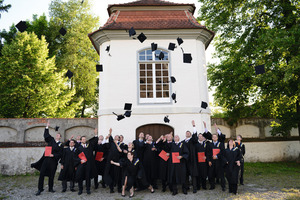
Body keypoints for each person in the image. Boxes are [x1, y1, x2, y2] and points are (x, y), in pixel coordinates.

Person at [31, 121, 63, 196]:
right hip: (46, 159)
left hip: (53, 161)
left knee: (51, 175)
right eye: (57, 134)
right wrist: (47, 127)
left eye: (59, 135)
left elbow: (61, 154)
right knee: (42, 174)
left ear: (60, 137)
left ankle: (50, 188)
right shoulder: (51, 140)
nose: (57, 135)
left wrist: (54, 155)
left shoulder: (61, 145)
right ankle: (40, 189)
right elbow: (46, 135)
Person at [75, 128, 98, 195]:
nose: (84, 140)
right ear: (81, 140)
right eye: (83, 139)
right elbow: (75, 157)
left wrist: (95, 134)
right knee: (80, 177)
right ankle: (80, 189)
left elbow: (95, 141)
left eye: (85, 139)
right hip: (81, 164)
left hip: (88, 164)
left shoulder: (89, 146)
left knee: (88, 177)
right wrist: (80, 160)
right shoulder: (78, 148)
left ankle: (88, 189)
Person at [103, 128, 123, 193]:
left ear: (119, 139)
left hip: (117, 162)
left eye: (117, 136)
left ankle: (119, 188)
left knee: (118, 175)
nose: (115, 137)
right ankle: (111, 188)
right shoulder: (111, 143)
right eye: (115, 136)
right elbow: (109, 139)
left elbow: (121, 152)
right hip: (110, 161)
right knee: (110, 174)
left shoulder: (121, 144)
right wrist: (110, 133)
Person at [181, 120, 198, 193]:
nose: (187, 133)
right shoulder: (182, 142)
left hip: (192, 159)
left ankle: (194, 188)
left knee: (193, 175)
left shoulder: (192, 140)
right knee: (185, 174)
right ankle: (186, 187)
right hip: (185, 160)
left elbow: (195, 136)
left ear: (190, 135)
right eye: (186, 133)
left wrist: (194, 126)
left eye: (189, 133)